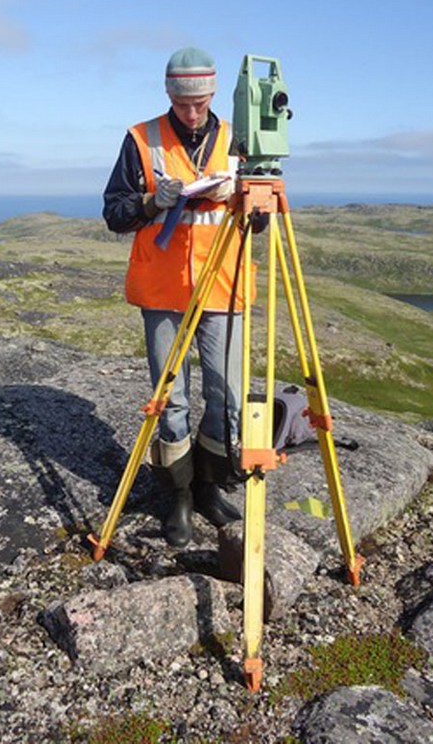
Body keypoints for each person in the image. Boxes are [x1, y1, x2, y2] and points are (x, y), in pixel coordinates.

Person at [103, 47, 254, 547]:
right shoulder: (141, 139)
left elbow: (263, 215)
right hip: (164, 288)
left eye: (202, 102)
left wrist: (247, 198)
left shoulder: (238, 139)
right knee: (171, 400)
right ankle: (180, 496)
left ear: (213, 94)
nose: (194, 112)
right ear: (168, 94)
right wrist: (152, 201)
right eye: (184, 103)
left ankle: (210, 485)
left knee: (226, 395)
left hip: (223, 285)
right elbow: (115, 213)